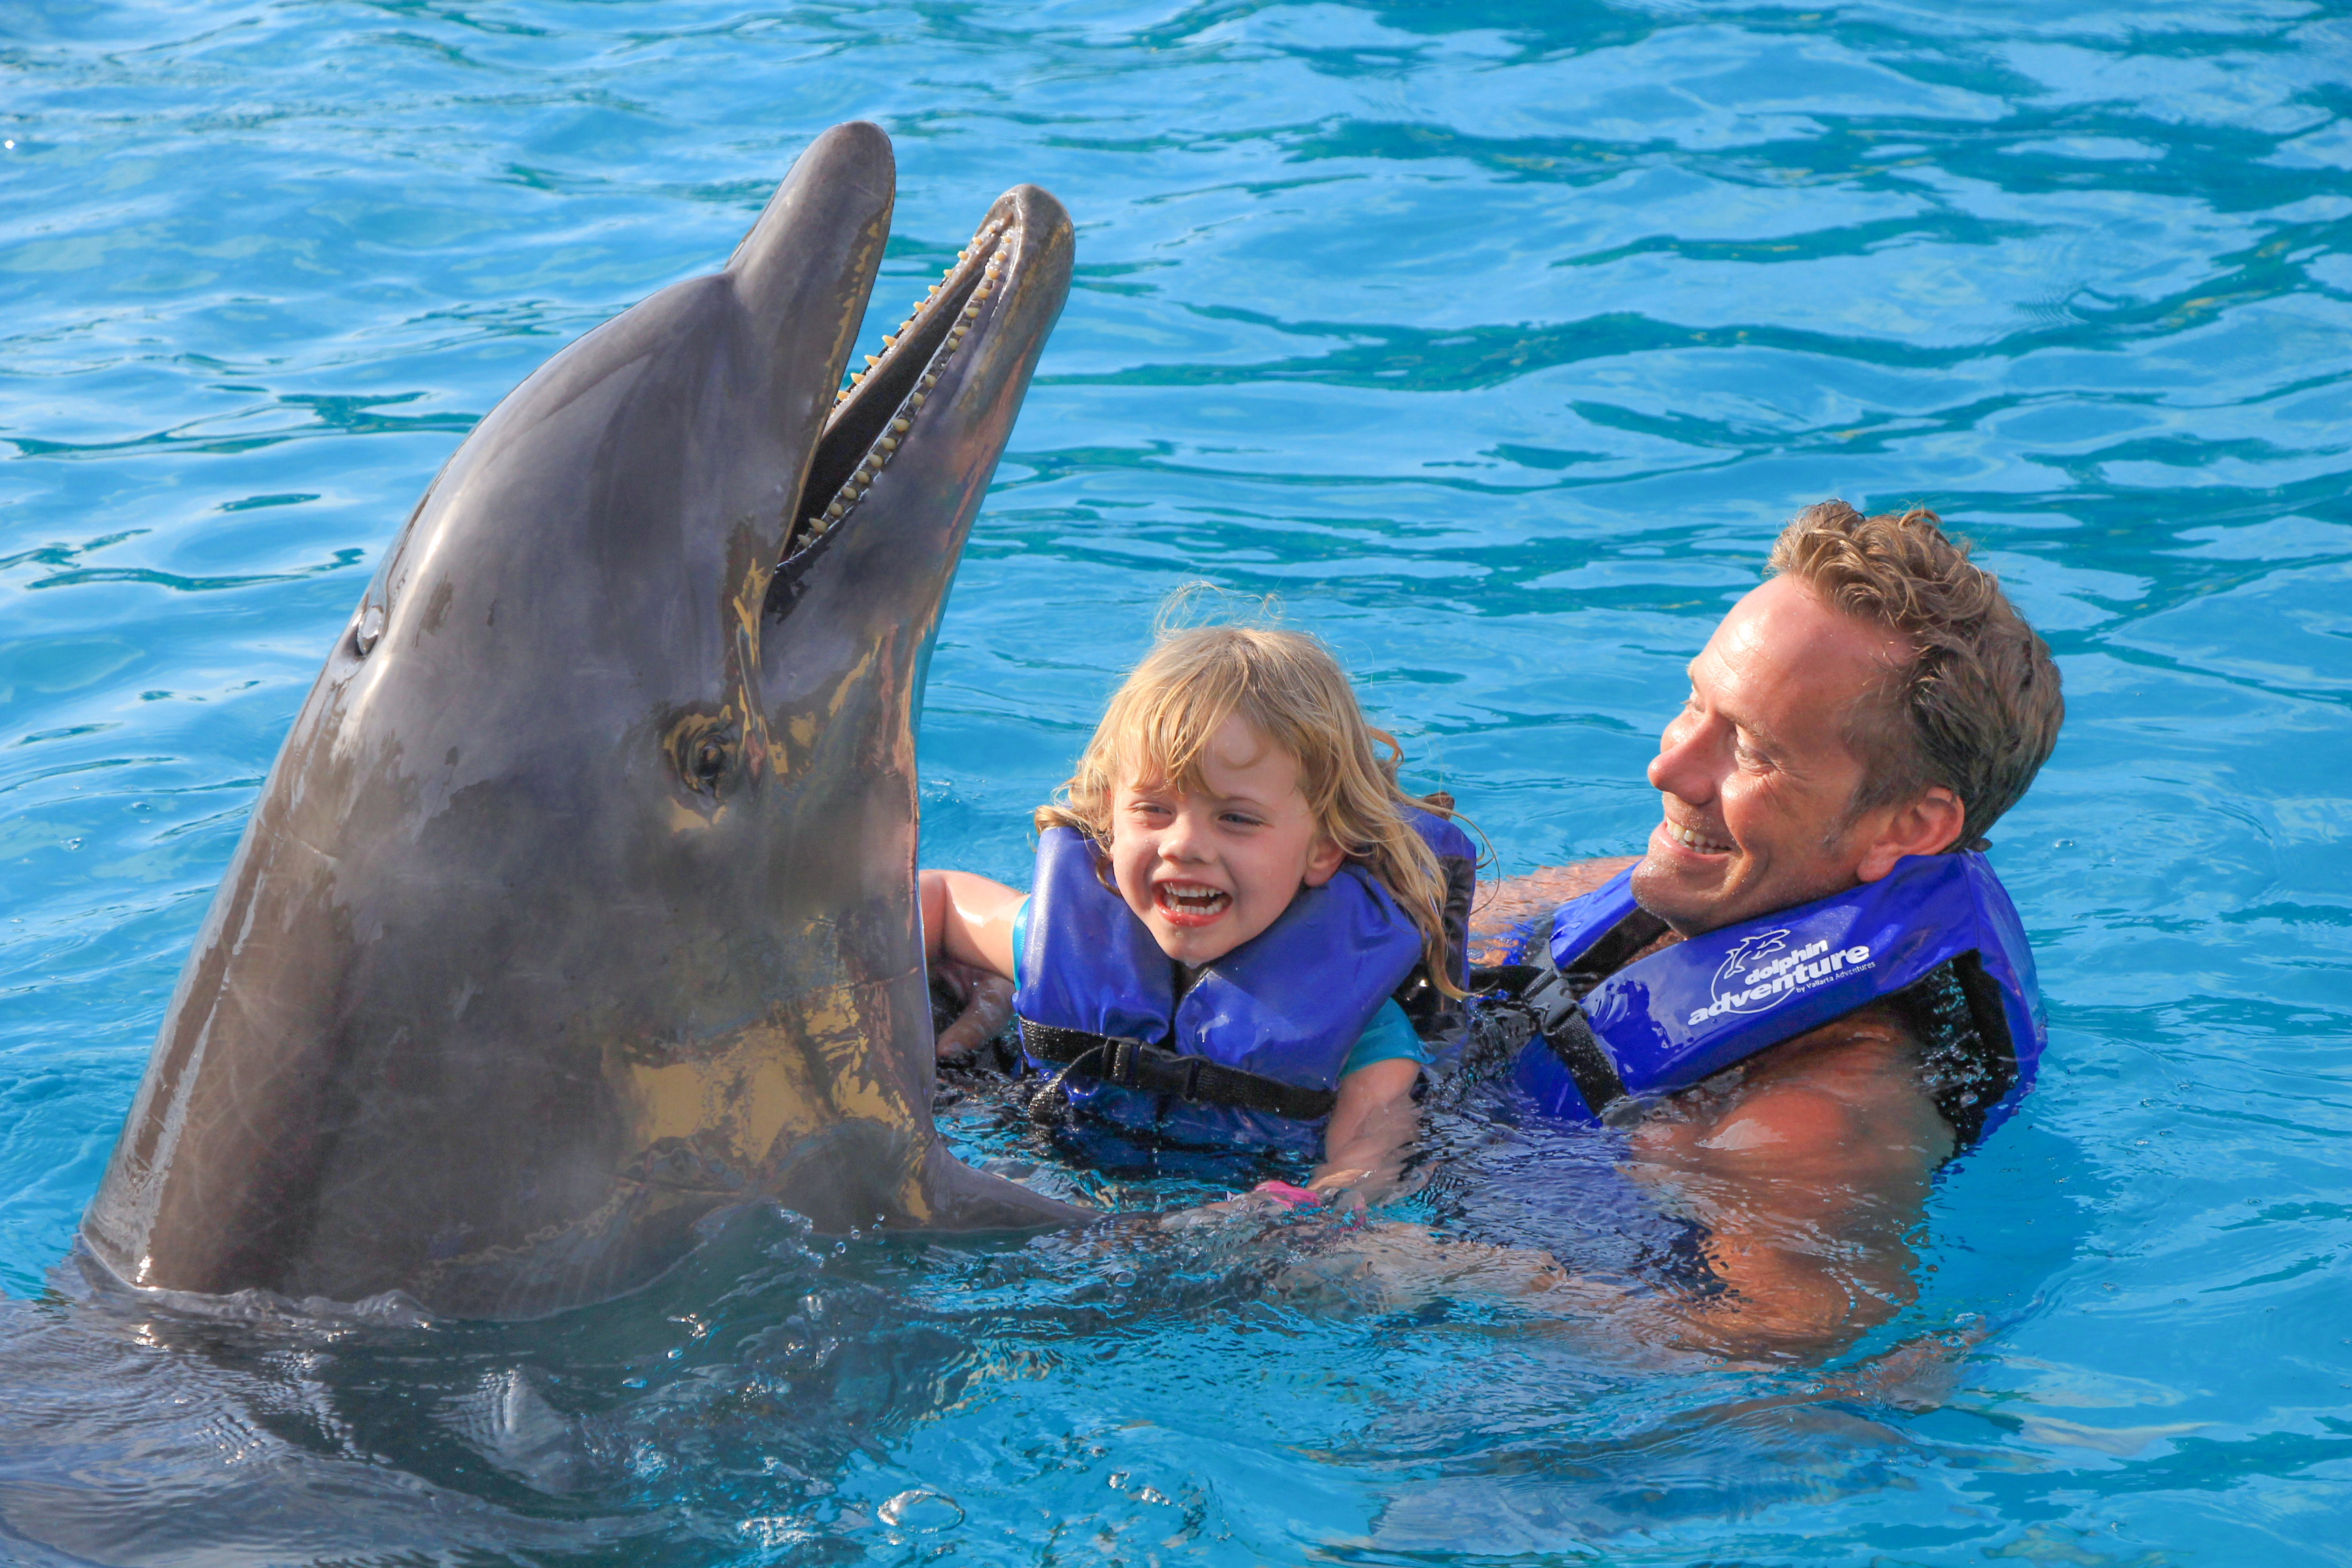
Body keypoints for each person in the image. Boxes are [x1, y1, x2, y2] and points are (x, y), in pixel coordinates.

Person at [1428, 499, 2064, 1356]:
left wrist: (1430, 1271)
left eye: (1754, 752)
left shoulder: (1810, 1126)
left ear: (1907, 828)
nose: (1669, 766)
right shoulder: (1700, 886)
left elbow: (1797, 1372)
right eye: (1696, 702)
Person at [920, 615, 1477, 1204]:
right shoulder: (1062, 941)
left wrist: (1313, 1207)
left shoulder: (1365, 1028)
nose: (1182, 845)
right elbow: (941, 898)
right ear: (1110, 820)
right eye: (1153, 810)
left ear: (1322, 849)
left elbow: (1371, 1149)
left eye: (1236, 818)